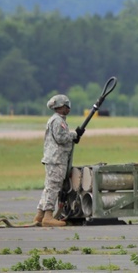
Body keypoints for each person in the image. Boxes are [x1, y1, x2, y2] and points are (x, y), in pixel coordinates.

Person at [34, 94, 81, 227]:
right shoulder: (57, 121)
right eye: (66, 106)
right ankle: (48, 216)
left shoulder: (55, 120)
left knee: (48, 187)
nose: (68, 109)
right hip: (56, 160)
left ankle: (39, 215)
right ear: (60, 107)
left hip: (53, 159)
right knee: (54, 187)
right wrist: (74, 134)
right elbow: (61, 138)